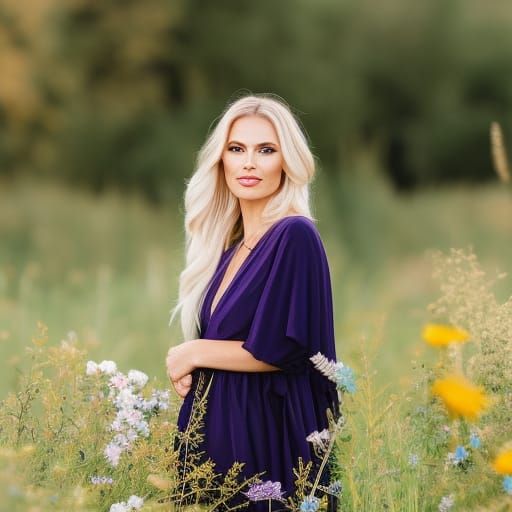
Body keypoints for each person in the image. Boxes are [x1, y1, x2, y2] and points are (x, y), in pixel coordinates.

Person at [166, 93, 340, 511]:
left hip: (264, 446)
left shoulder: (295, 236)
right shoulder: (230, 247)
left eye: (266, 150)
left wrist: (192, 350)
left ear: (287, 161)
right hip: (216, 446)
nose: (248, 163)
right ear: (220, 160)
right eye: (236, 149)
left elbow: (281, 349)